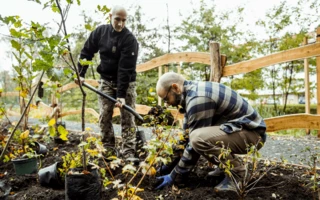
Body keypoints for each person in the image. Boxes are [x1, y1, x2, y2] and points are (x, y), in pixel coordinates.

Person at [154, 72, 267, 192]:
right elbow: (185, 137)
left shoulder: (198, 99)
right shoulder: (191, 95)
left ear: (175, 88)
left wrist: (175, 176)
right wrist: (168, 165)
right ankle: (225, 167)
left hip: (252, 135)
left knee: (198, 139)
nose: (167, 104)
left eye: (166, 98)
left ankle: (237, 174)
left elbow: (193, 145)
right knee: (196, 137)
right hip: (239, 131)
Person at [76, 5, 139, 161]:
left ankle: (128, 152)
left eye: (124, 20)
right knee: (104, 116)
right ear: (110, 16)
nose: (120, 24)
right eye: (117, 19)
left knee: (127, 117)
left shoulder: (129, 40)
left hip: (126, 83)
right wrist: (81, 74)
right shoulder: (100, 32)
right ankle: (109, 149)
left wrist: (121, 95)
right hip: (106, 81)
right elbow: (86, 52)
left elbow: (125, 69)